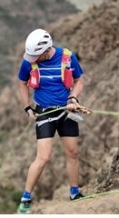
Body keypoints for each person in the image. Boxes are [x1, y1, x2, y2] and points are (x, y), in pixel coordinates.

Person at [17, 29, 86, 214]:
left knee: (72, 152)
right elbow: (22, 82)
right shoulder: (29, 62)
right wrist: (27, 107)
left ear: (47, 50)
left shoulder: (67, 57)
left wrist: (73, 98)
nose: (33, 59)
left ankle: (74, 193)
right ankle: (25, 199)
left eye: (36, 55)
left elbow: (79, 80)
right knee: (43, 158)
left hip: (66, 111)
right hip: (44, 112)